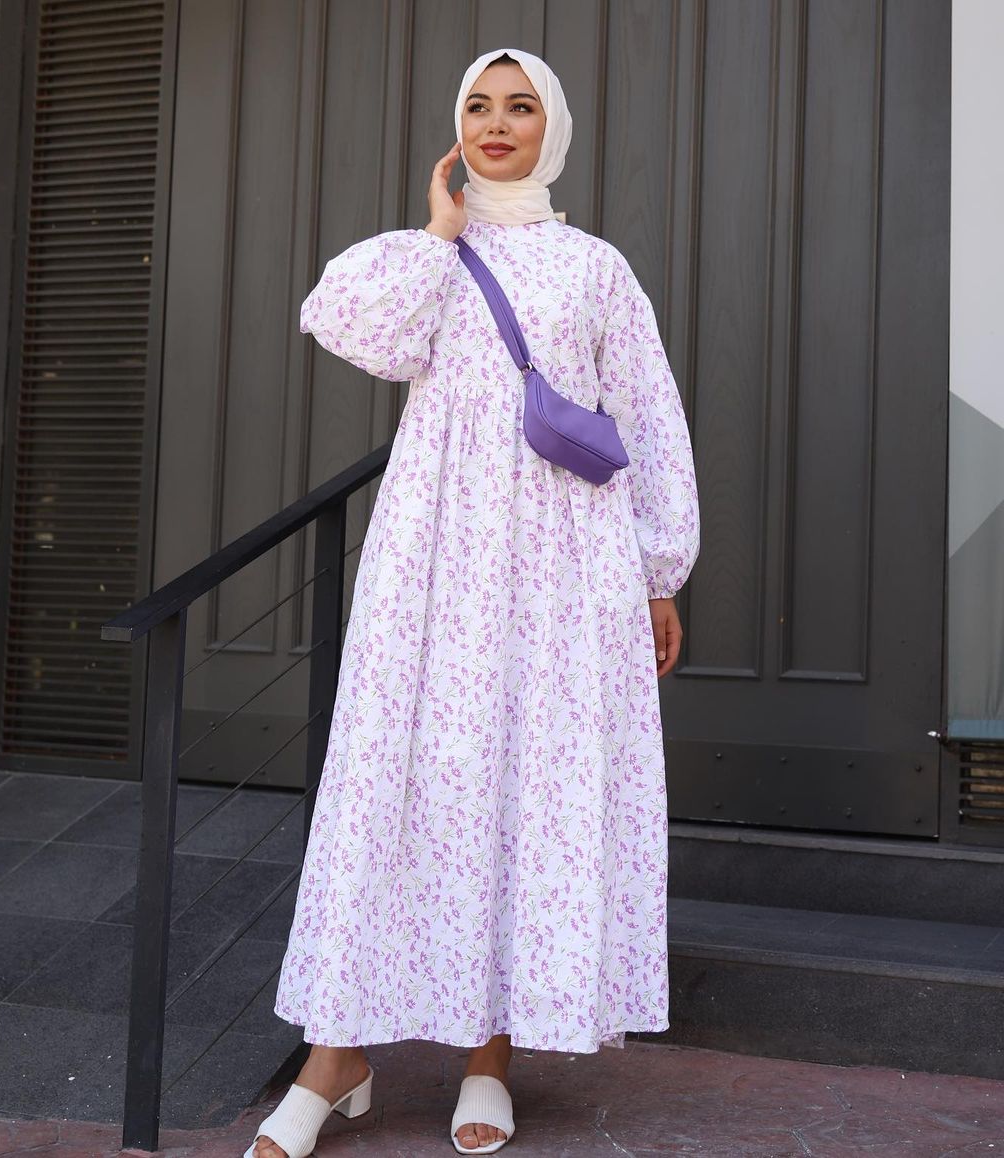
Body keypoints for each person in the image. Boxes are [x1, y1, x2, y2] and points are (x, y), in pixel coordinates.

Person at [246, 46, 700, 1158]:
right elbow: (344, 321)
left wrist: (658, 571)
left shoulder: (596, 268)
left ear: (555, 129)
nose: (498, 125)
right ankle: (335, 1056)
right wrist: (438, 232)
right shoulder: (429, 259)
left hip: (562, 569)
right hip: (435, 563)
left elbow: (647, 417)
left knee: (526, 788)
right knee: (395, 785)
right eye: (480, 107)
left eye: (522, 107)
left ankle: (488, 1054)